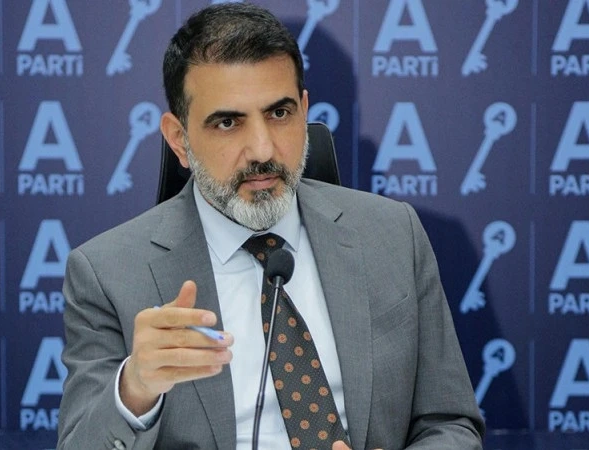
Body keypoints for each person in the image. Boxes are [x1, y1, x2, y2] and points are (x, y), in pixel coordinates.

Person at [57, 3, 484, 449]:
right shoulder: (107, 274)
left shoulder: (393, 235)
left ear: (304, 110)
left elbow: (451, 423)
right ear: (179, 139)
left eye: (279, 114)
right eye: (228, 122)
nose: (262, 149)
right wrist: (135, 388)